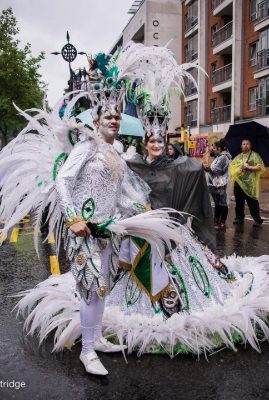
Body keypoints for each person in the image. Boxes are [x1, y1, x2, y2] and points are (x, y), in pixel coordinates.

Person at [13, 42, 269, 360]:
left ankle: (115, 332)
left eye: (161, 138)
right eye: (150, 138)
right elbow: (84, 184)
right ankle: (93, 343)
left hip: (163, 237)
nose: (156, 142)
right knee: (101, 284)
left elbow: (179, 205)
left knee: (122, 281)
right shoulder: (118, 158)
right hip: (118, 234)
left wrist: (170, 221)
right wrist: (79, 215)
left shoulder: (177, 164)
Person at [230, 139, 265, 227]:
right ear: (241, 146)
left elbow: (260, 167)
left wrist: (249, 167)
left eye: (247, 144)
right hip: (239, 184)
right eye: (243, 144)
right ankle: (239, 218)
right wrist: (239, 169)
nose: (245, 145)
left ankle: (257, 220)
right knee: (239, 202)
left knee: (253, 202)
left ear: (250, 145)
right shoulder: (238, 157)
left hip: (250, 184)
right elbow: (232, 168)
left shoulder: (255, 155)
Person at [203, 139, 231, 230]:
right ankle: (216, 220)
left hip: (221, 183)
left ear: (219, 148)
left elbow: (216, 170)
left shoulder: (223, 157)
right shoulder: (218, 156)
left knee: (222, 203)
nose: (213, 149)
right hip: (215, 183)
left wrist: (206, 168)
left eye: (214, 148)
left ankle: (222, 221)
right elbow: (212, 157)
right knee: (217, 203)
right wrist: (210, 152)